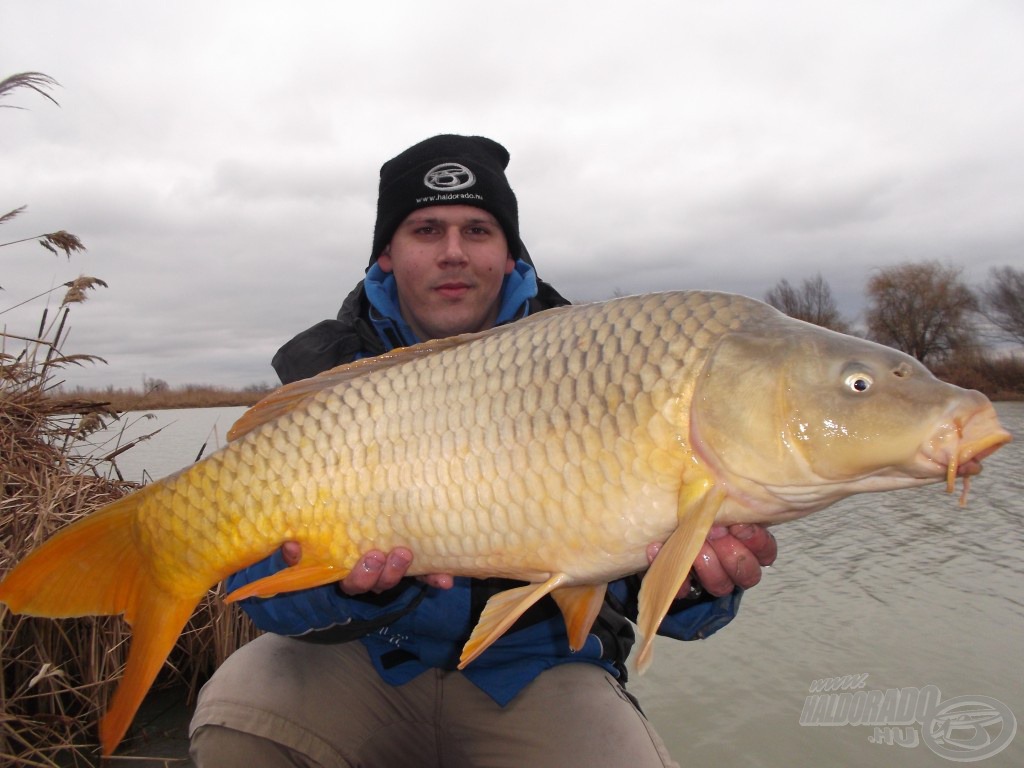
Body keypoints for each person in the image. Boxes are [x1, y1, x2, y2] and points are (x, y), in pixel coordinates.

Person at [189, 135, 778, 768]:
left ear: (508, 251)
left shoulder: (605, 359)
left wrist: (694, 585)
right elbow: (253, 591)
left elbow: (671, 605)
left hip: (539, 668)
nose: (452, 253)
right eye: (426, 229)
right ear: (387, 253)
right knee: (237, 722)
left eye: (477, 229)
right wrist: (357, 591)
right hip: (361, 659)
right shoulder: (333, 377)